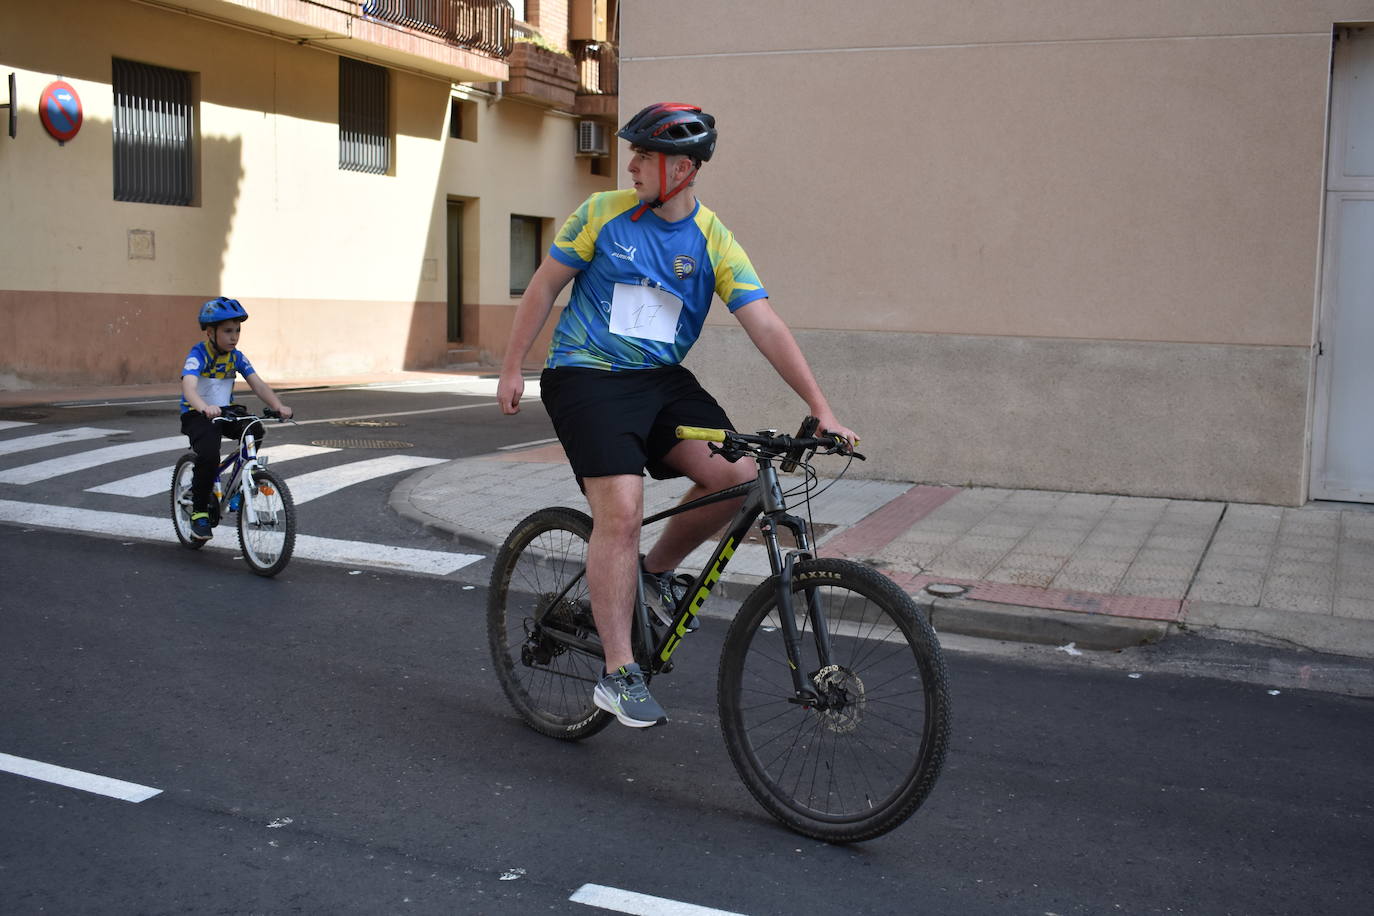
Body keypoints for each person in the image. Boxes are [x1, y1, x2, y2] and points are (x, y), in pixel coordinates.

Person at [496, 102, 857, 729]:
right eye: (630, 153)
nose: (630, 164)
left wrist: (819, 408)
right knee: (623, 509)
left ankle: (653, 574)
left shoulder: (712, 238)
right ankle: (618, 672)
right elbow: (545, 286)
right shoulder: (603, 213)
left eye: (645, 156)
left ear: (683, 169)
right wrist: (511, 365)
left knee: (741, 476)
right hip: (587, 375)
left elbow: (764, 322)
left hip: (660, 381)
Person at [179, 297, 293, 541]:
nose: (234, 336)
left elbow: (257, 384)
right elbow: (189, 387)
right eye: (228, 331)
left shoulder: (237, 357)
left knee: (255, 429)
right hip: (197, 413)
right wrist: (203, 407)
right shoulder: (198, 354)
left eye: (237, 330)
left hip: (225, 412)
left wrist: (278, 405)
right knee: (209, 454)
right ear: (210, 332)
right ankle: (199, 512)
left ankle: (239, 488)